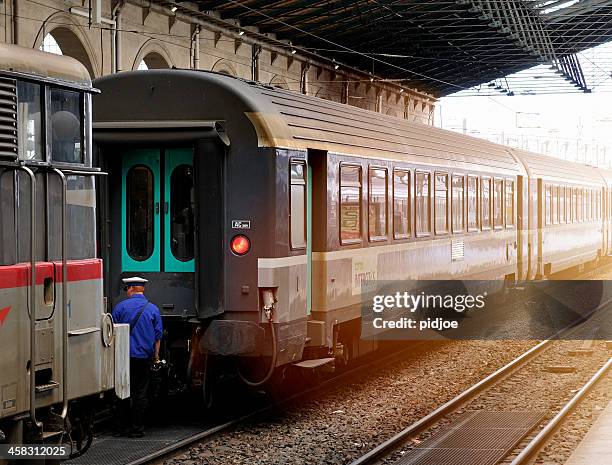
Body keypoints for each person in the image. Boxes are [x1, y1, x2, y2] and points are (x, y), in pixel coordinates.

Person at [112, 276, 163, 438]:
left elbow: (112, 332)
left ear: (131, 289)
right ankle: (137, 429)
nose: (127, 292)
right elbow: (157, 338)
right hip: (143, 358)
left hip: (123, 358)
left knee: (122, 392)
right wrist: (156, 357)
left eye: (127, 289)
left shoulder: (120, 308)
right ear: (143, 289)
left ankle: (121, 428)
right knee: (140, 393)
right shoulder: (153, 309)